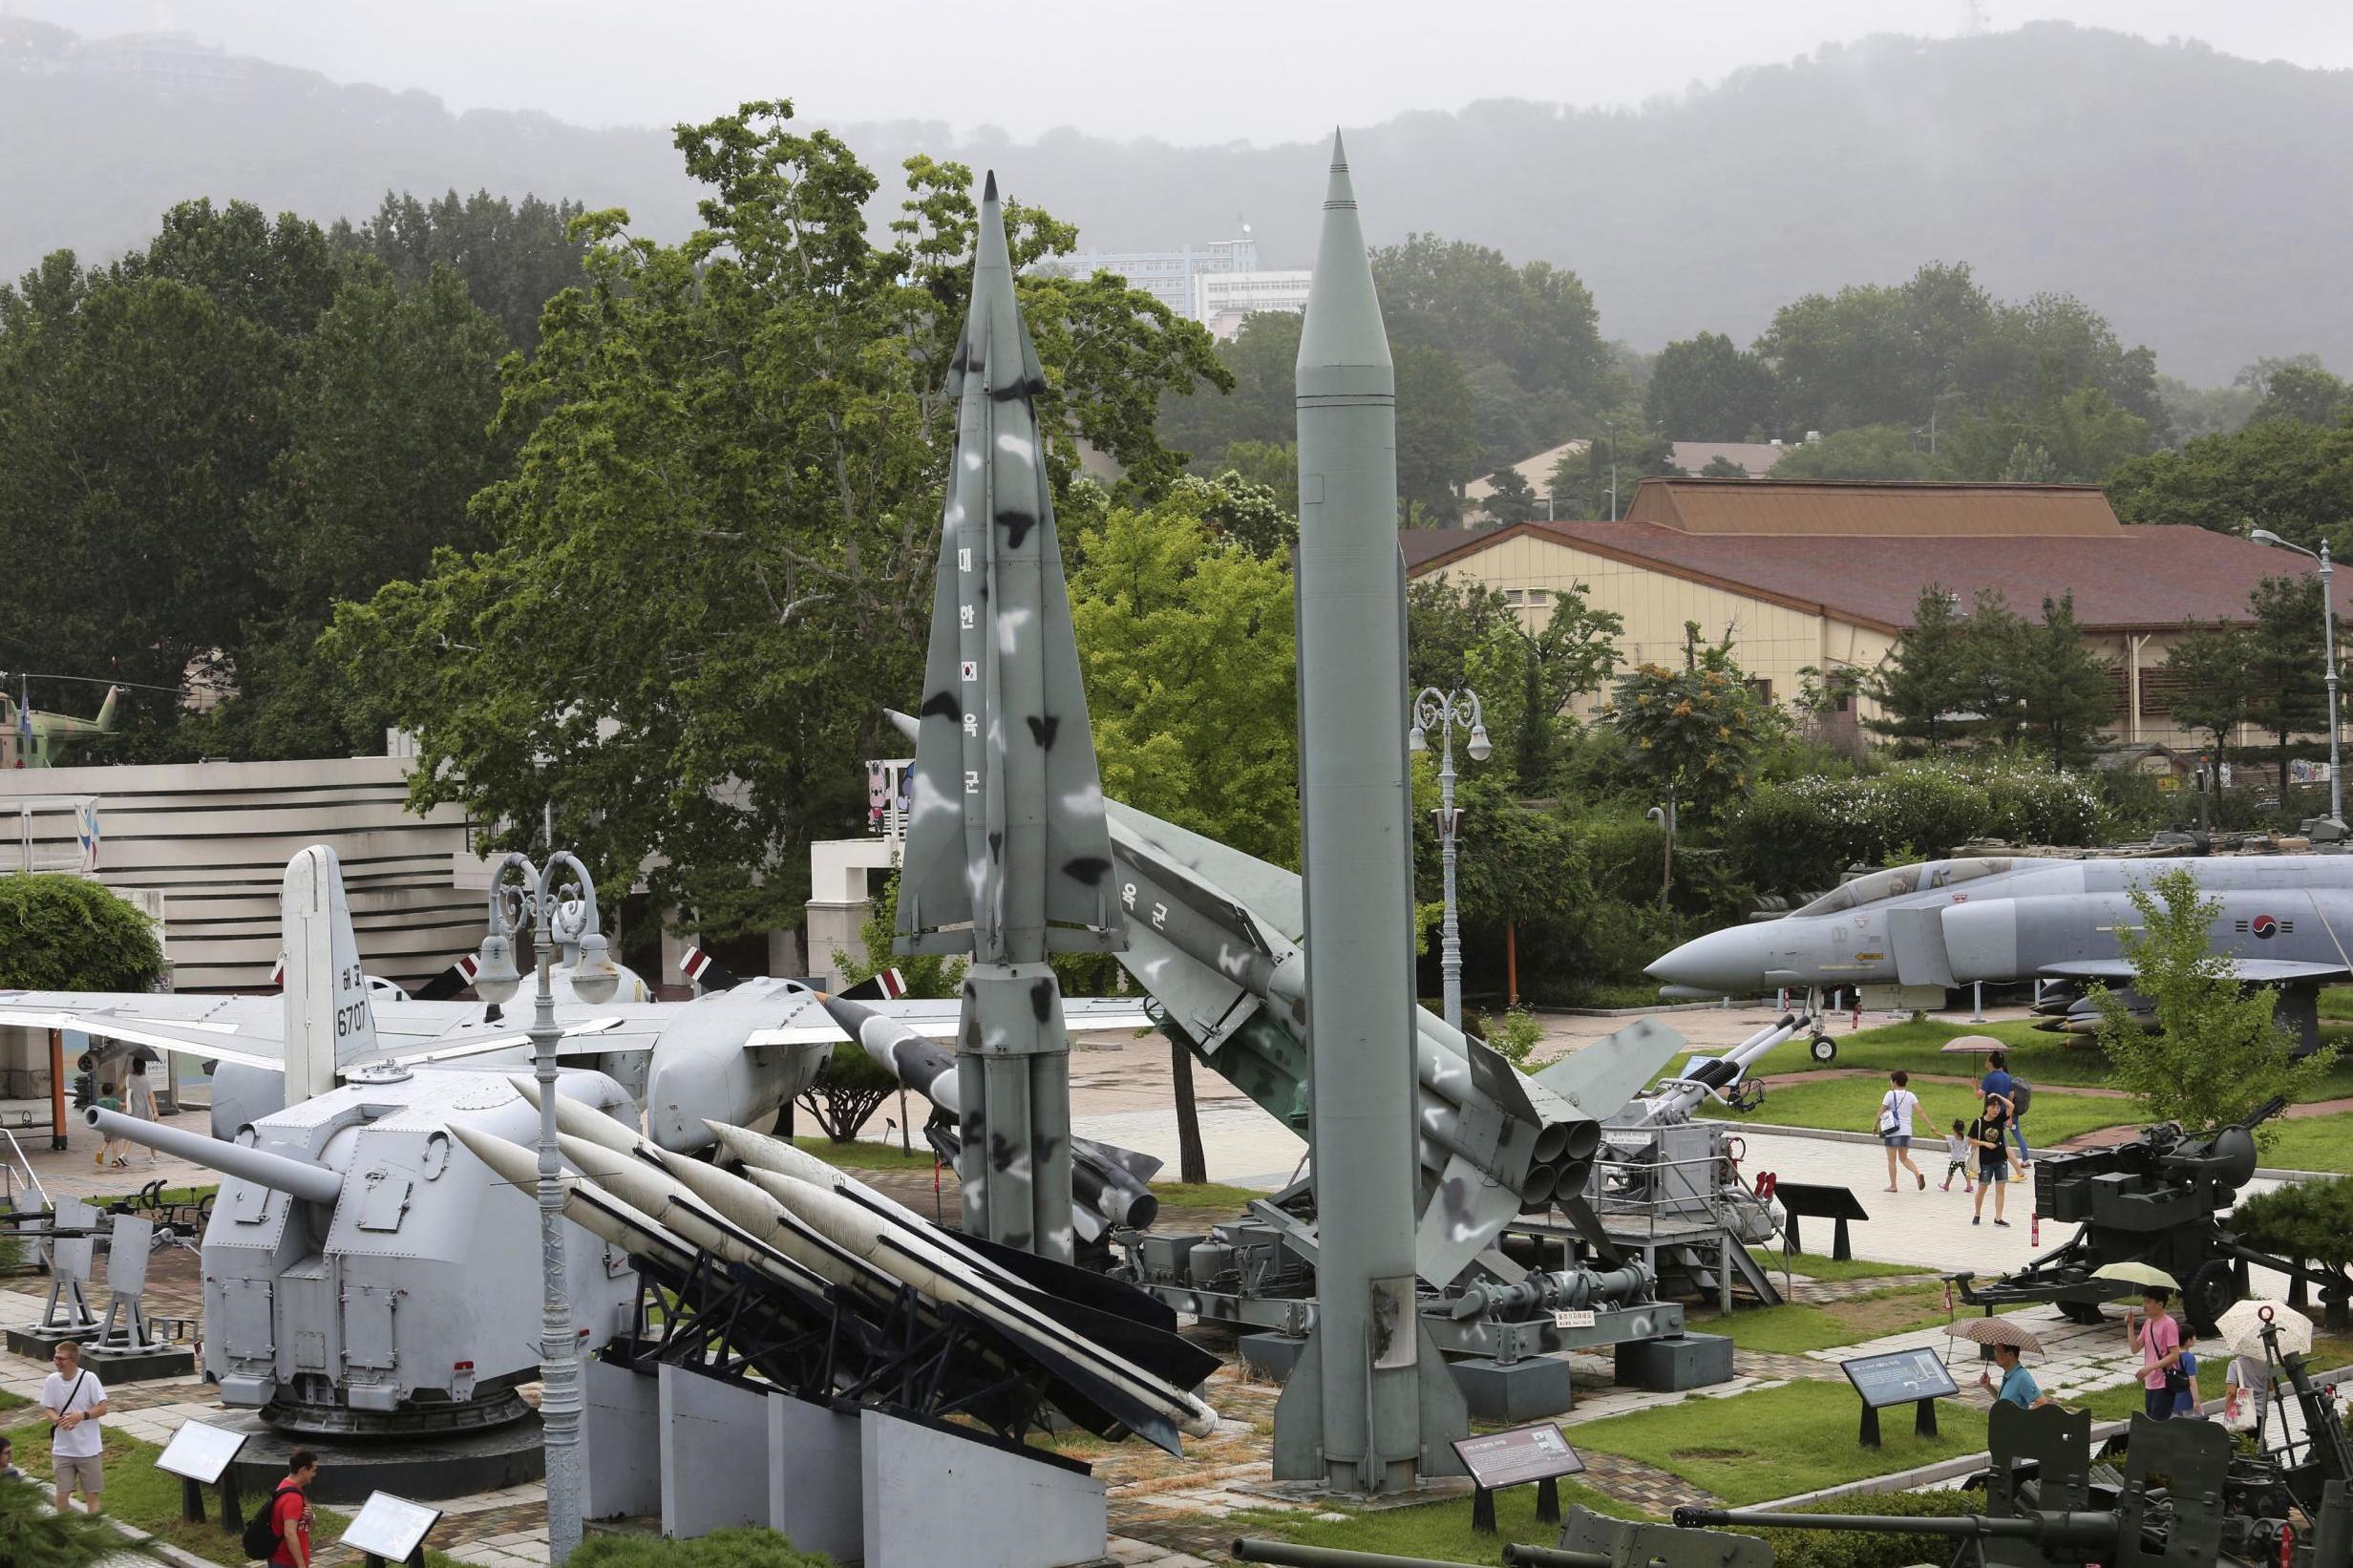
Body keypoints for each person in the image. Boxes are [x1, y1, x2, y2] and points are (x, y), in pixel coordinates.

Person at [39, 1340, 107, 1513]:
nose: (56, 1361)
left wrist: (81, 1416)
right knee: (62, 1493)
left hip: (88, 1450)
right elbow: (48, 1408)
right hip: (63, 1449)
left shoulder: (89, 1379)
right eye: (55, 1357)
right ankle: (65, 1531)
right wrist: (57, 1420)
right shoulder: (52, 1380)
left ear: (73, 1361)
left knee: (91, 1494)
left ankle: (95, 1531)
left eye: (61, 1358)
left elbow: (103, 1408)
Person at [2128, 1289, 2185, 1421]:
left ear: (2160, 1305)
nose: (2144, 1305)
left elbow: (2174, 1355)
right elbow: (2135, 1348)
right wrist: (2130, 1326)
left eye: (2148, 1302)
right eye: (2144, 1301)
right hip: (2150, 1383)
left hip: (2164, 1382)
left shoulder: (2168, 1324)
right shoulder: (2148, 1323)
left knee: (2157, 1424)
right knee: (2152, 1422)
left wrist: (2148, 1368)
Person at [265, 1450, 320, 1568]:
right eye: (313, 1470)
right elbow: (290, 1533)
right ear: (303, 1470)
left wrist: (311, 1517)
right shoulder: (292, 1497)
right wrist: (301, 1565)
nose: (314, 1474)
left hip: (282, 1559)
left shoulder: (287, 1485)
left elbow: (307, 1525)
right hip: (287, 1562)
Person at [1982, 1049, 2030, 1173]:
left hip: (1999, 1114)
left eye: (1988, 1059)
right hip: (2006, 1113)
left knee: (2004, 1142)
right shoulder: (2007, 1077)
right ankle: (1978, 1166)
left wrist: (1974, 1085)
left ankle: (2020, 1170)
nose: (1986, 1060)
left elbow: (1979, 1094)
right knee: (1987, 1137)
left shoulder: (1992, 1077)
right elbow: (2011, 1095)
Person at [1877, 1070, 1925, 1192]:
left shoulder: (1890, 1094)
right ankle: (1917, 1174)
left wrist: (1875, 1125)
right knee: (1904, 1158)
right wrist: (1931, 1125)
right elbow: (1920, 1111)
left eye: (1891, 1080)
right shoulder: (1911, 1096)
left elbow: (1881, 1111)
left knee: (1891, 1160)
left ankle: (1893, 1186)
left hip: (1893, 1131)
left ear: (1895, 1082)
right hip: (1906, 1131)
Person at [1968, 1099, 2010, 1226]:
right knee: (1982, 1188)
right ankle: (1977, 1213)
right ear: (1987, 1107)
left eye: (1998, 1108)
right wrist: (1985, 1143)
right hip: (1986, 1161)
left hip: (2001, 1159)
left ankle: (1998, 1218)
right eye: (1993, 1107)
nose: (1996, 1110)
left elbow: (2011, 1106)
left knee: (2001, 1189)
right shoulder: (1979, 1122)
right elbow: (1970, 1140)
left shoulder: (1999, 1119)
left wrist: (1998, 1095)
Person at [1980, 1341, 2050, 1409]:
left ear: (2010, 1354)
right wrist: (1988, 1386)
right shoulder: (2009, 1373)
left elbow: (2042, 1403)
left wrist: (2020, 1418)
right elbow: (2003, 1402)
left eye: (1998, 1351)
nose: (1995, 1355)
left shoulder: (2022, 1377)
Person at [2228, 1352, 2276, 1438]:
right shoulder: (2264, 1362)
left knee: (2245, 1445)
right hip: (2262, 1411)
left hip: (2243, 1413)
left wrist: (2227, 1415)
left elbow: (2231, 1393)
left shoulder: (2235, 1364)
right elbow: (2271, 1387)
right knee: (2259, 1441)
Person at [125, 1057, 159, 1166]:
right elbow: (151, 1096)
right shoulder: (146, 1079)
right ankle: (153, 1156)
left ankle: (124, 1154)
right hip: (145, 1110)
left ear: (133, 1066)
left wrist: (124, 1077)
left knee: (131, 1134)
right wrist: (155, 1112)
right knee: (151, 1134)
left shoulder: (129, 1077)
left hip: (133, 1110)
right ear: (144, 1066)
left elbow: (120, 1088)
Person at [2173, 1334, 2204, 1417]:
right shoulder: (2189, 1358)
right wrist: (2196, 1401)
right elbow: (2192, 1381)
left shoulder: (2172, 1356)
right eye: (2194, 1336)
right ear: (2188, 1340)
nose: (2195, 1338)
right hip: (2187, 1400)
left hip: (2173, 1400)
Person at [1940, 1118, 1975, 1193]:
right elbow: (1967, 1147)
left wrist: (1934, 1130)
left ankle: (1946, 1185)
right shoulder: (1965, 1139)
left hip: (1954, 1160)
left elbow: (1942, 1136)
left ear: (1954, 1129)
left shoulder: (1952, 1138)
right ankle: (1969, 1186)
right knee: (1966, 1173)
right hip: (1963, 1160)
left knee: (1950, 1173)